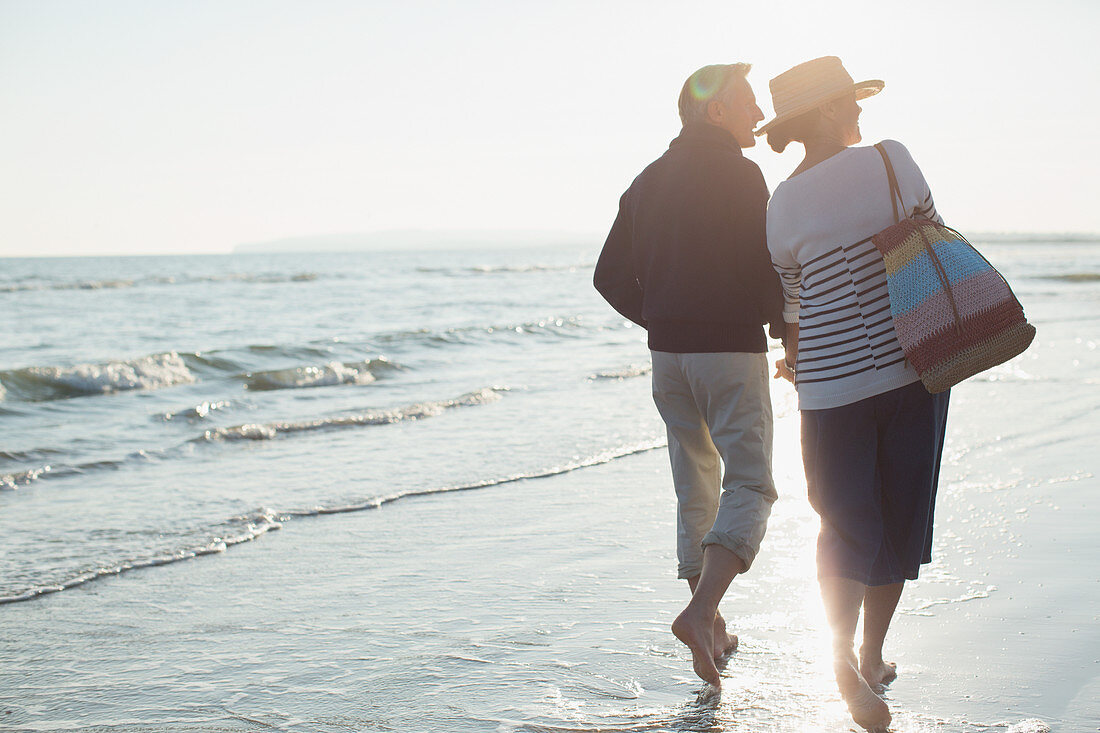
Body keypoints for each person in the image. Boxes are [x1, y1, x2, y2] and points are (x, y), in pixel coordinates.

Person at [761, 56, 950, 732]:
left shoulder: (780, 204)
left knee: (843, 525)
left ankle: (841, 652)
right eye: (850, 102)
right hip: (912, 370)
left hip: (829, 391)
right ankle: (871, 657)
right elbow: (934, 242)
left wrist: (801, 367)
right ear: (828, 111)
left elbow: (794, 309)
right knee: (897, 520)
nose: (861, 113)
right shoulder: (891, 162)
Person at [594, 63, 784, 689]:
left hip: (668, 357)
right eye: (748, 103)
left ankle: (715, 627)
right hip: (728, 350)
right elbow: (763, 268)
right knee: (751, 483)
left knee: (695, 481)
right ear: (716, 111)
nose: (757, 114)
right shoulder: (741, 173)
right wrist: (784, 327)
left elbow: (607, 278)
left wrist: (659, 317)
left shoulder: (647, 180)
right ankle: (701, 611)